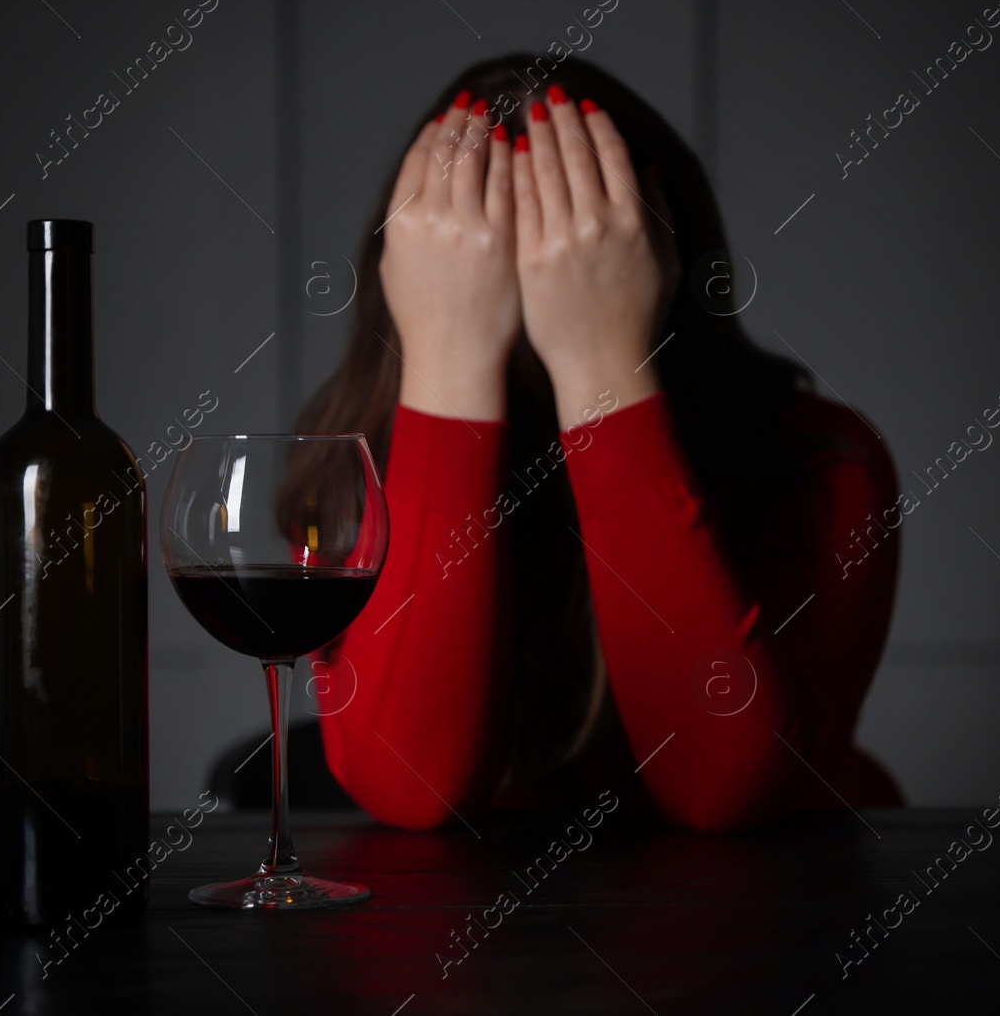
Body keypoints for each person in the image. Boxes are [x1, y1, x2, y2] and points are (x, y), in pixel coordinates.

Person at [295, 55, 902, 833]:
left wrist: (603, 365)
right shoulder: (343, 472)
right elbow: (413, 787)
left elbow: (721, 788)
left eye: (579, 252)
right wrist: (448, 359)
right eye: (469, 259)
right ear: (409, 272)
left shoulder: (826, 465)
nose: (538, 280)